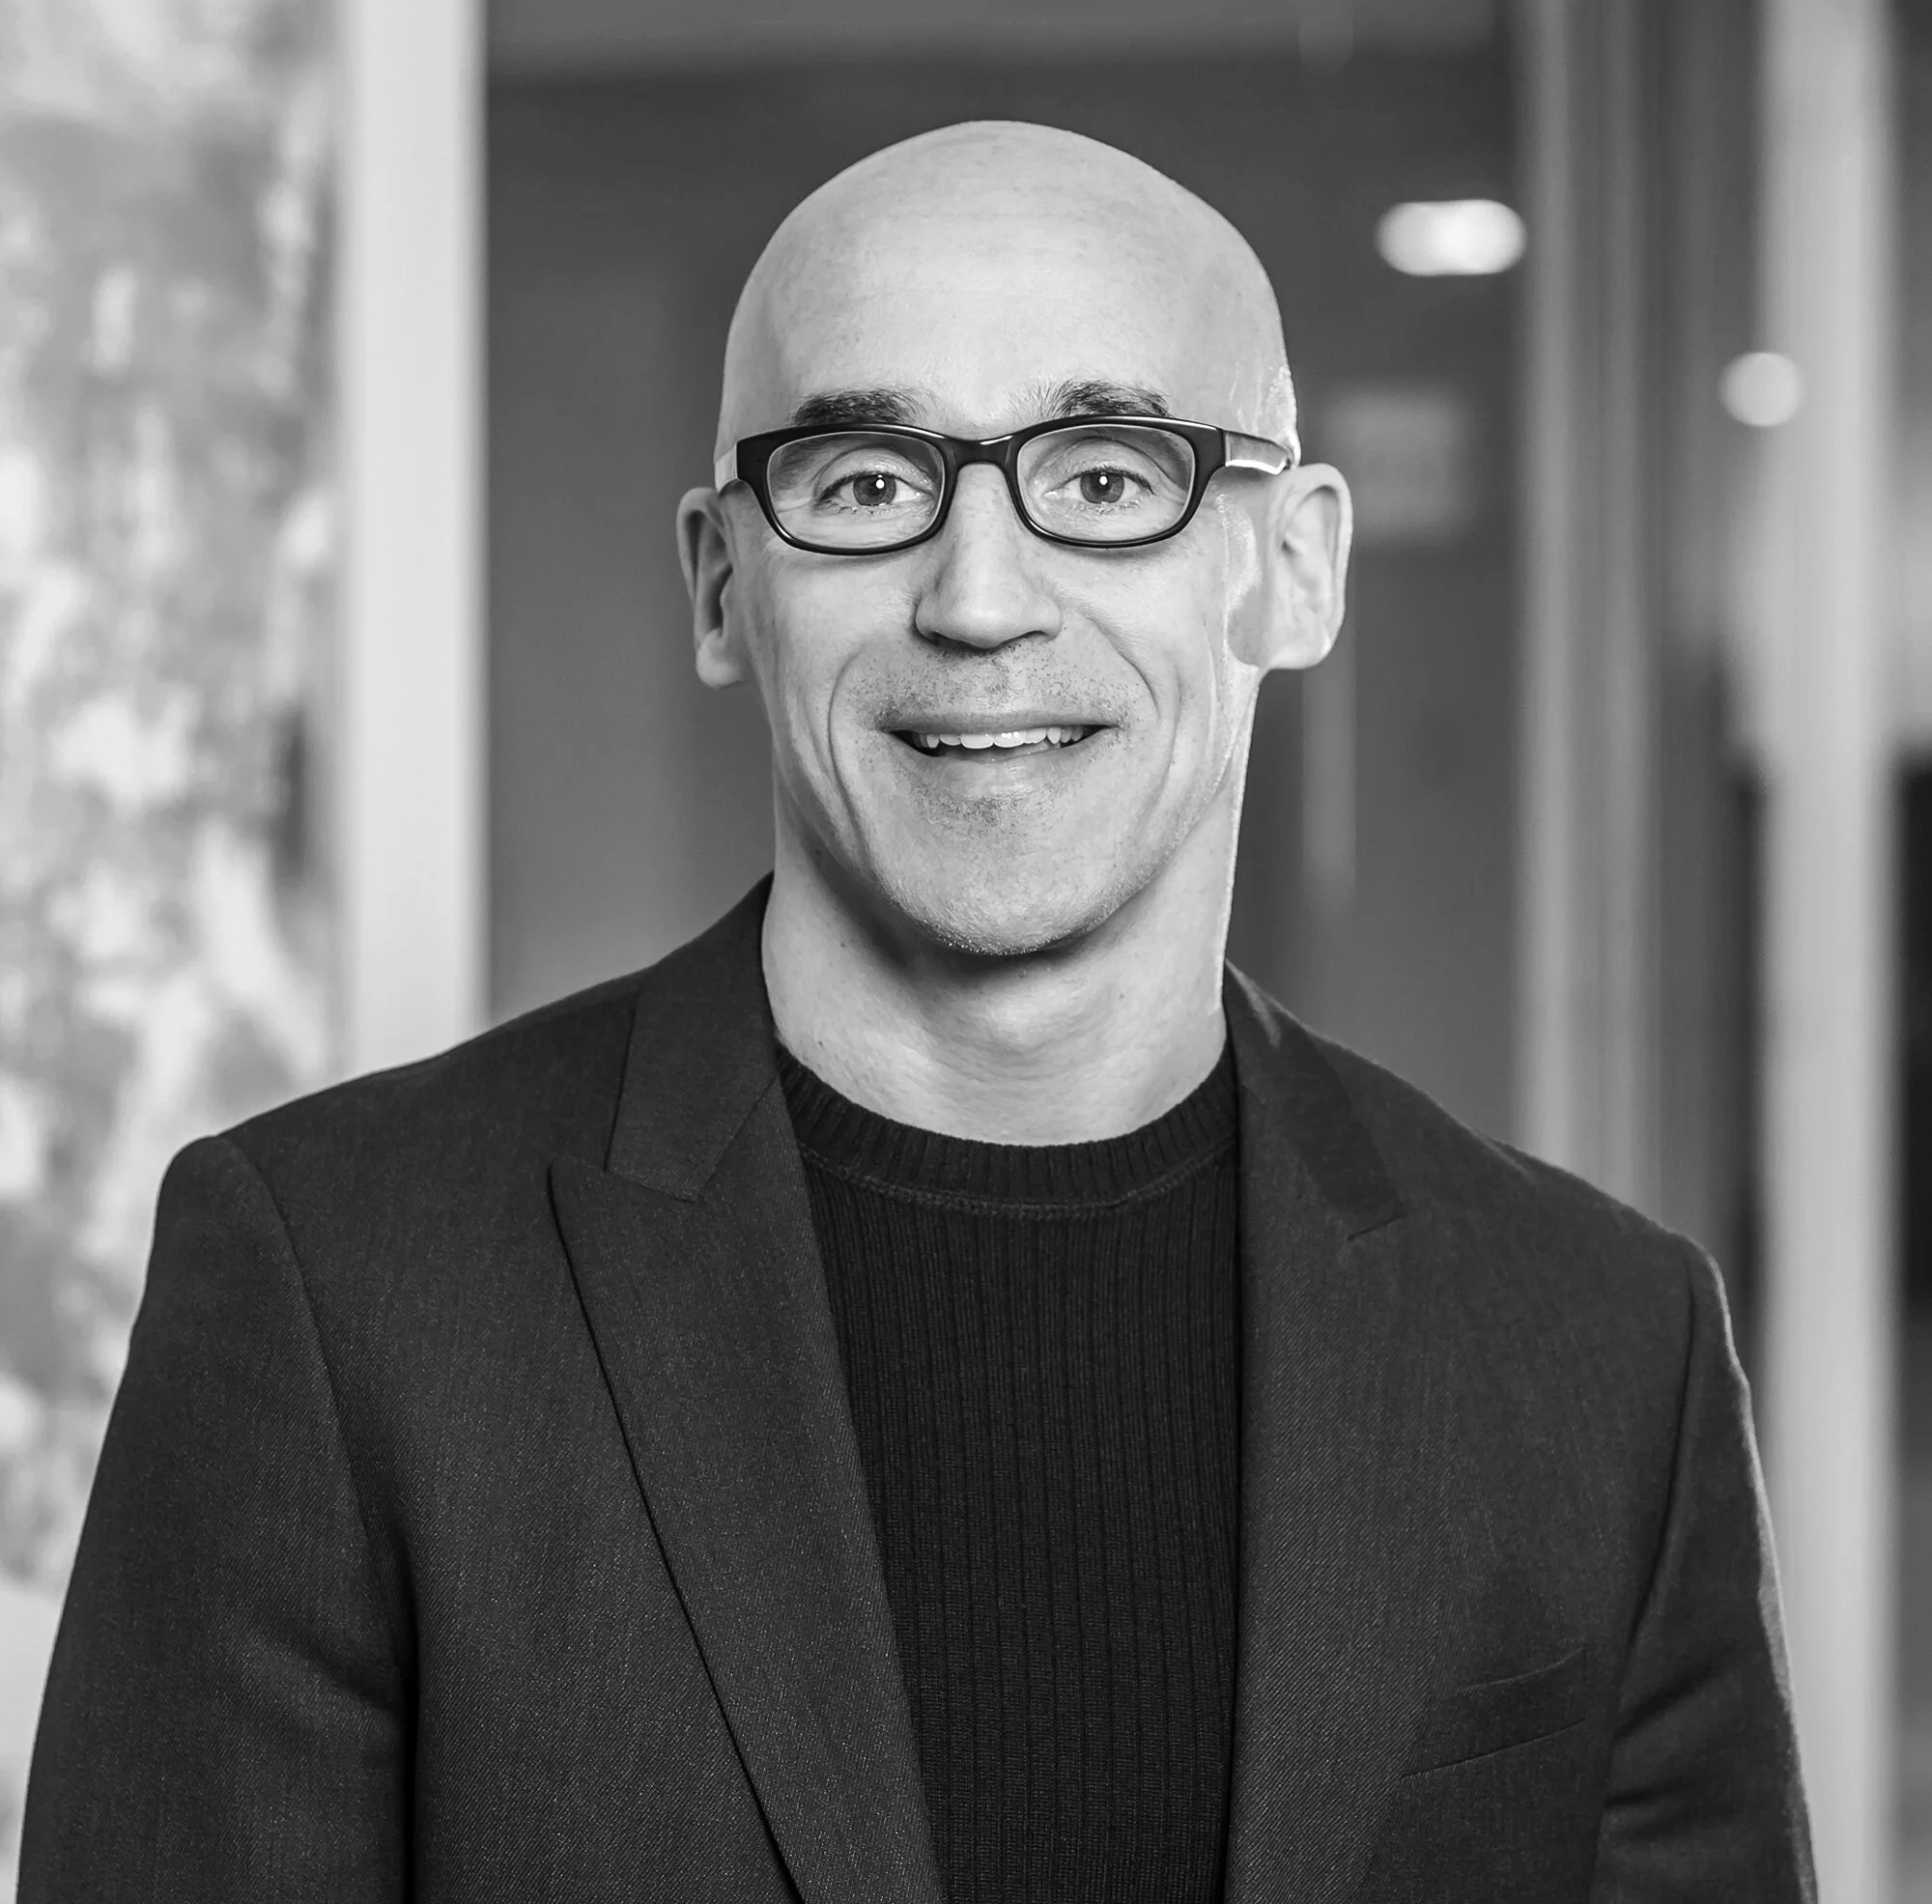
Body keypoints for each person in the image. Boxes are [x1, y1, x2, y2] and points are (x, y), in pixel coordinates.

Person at [22, 122, 1812, 1904]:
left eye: (1107, 476)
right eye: (870, 482)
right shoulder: (334, 1289)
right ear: (723, 583)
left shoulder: (1605, 1354)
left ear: (1296, 569)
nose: (979, 598)